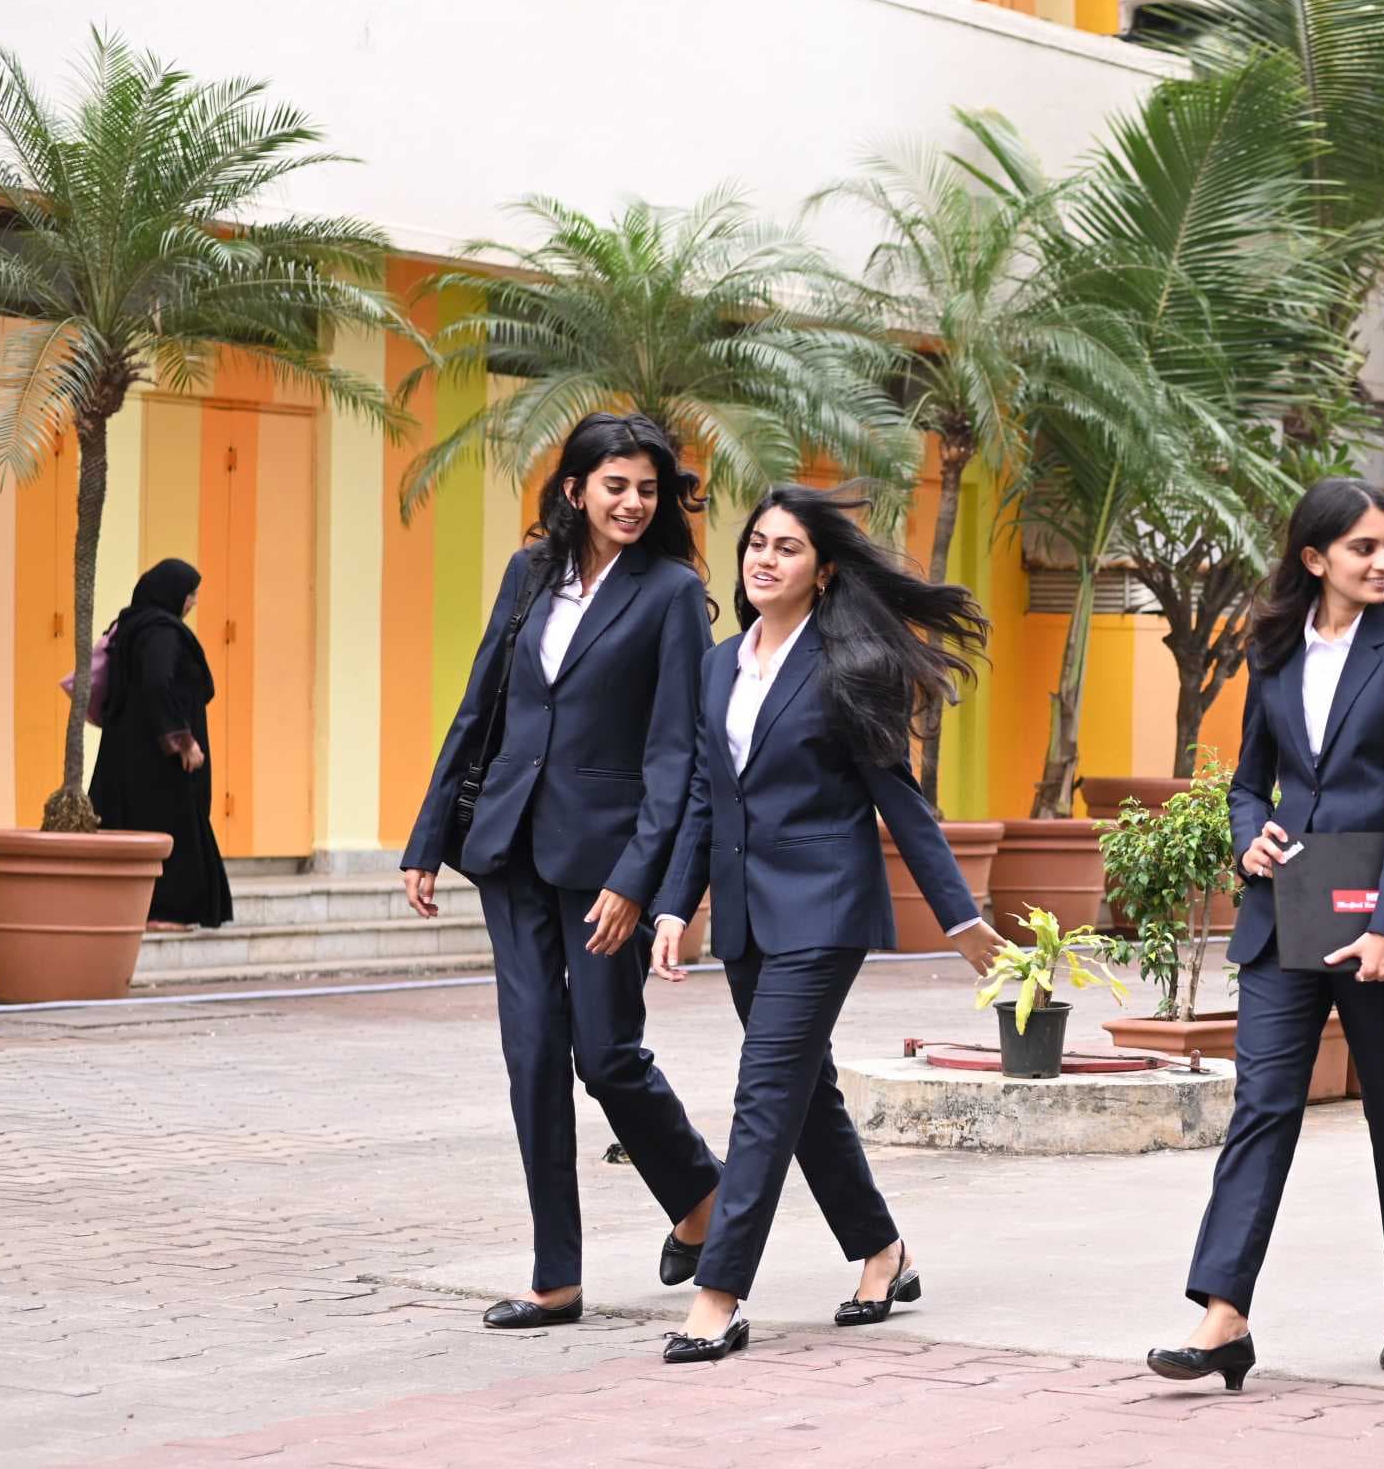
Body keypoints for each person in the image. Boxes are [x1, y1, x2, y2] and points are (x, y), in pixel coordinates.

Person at [647, 485, 1005, 1363]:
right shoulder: (720, 665)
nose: (765, 560)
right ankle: (883, 1249)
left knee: (765, 1093)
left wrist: (961, 917)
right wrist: (675, 903)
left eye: (788, 548)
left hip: (824, 908)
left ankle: (719, 1296)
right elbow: (705, 796)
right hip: (745, 914)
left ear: (824, 570)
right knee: (805, 1096)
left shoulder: (850, 663)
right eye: (756, 544)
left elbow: (900, 799)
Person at [402, 416, 729, 1332]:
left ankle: (703, 1196)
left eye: (648, 490)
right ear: (576, 488)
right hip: (509, 846)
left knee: (607, 1055)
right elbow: (480, 705)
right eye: (616, 486)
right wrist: (428, 837)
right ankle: (557, 1278)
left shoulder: (671, 594)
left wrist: (638, 878)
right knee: (534, 1056)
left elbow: (676, 751)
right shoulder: (529, 573)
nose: (633, 503)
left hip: (606, 861)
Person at [1148, 478, 1384, 1392]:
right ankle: (1224, 1316)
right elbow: (1251, 780)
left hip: (1378, 919)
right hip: (1285, 909)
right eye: (1365, 547)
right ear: (1315, 558)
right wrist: (1249, 836)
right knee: (1263, 1104)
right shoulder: (1274, 647)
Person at [88, 559, 234, 931]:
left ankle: (143, 909)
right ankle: (164, 912)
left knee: (141, 826)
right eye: (190, 594)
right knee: (168, 828)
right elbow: (156, 683)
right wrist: (182, 741)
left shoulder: (133, 627)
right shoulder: (161, 632)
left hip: (134, 754)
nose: (194, 602)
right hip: (157, 764)